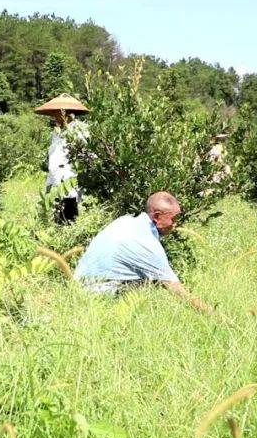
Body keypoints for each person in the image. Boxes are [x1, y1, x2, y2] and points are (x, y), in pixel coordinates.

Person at [74, 191, 211, 313]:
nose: (175, 224)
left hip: (78, 287)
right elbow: (177, 290)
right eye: (173, 219)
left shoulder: (125, 221)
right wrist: (217, 318)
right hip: (96, 296)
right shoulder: (146, 243)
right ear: (157, 217)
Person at [34, 94, 90, 224]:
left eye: (57, 113)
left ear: (65, 113)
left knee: (69, 209)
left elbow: (84, 153)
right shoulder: (57, 132)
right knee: (57, 208)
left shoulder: (79, 130)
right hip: (56, 177)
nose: (54, 117)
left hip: (69, 176)